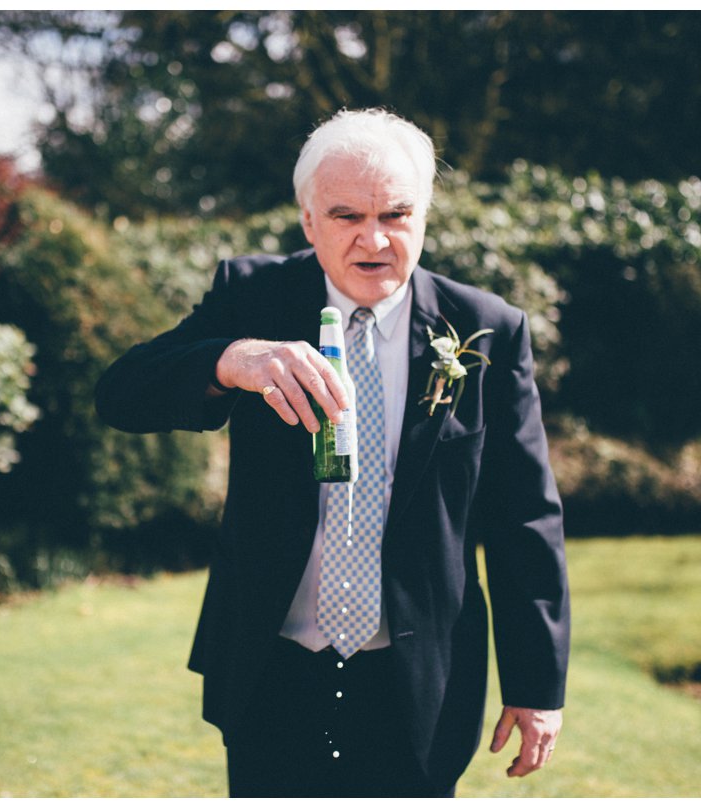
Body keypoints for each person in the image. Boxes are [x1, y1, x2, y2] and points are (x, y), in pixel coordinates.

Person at [95, 108, 569, 798]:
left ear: (425, 217)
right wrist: (230, 359)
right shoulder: (252, 297)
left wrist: (535, 685)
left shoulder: (486, 331)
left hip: (421, 683)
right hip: (271, 668)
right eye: (346, 216)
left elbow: (526, 518)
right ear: (308, 219)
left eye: (396, 215)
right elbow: (120, 395)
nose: (373, 239)